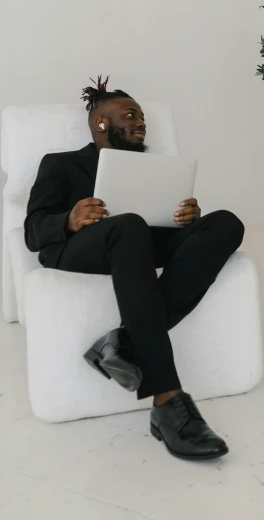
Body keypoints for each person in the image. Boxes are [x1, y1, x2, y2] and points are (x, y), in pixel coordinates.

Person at [25, 76, 245, 461]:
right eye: (130, 115)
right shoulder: (60, 165)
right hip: (79, 250)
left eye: (143, 117)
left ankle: (123, 341)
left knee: (226, 222)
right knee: (127, 223)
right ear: (101, 124)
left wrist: (187, 219)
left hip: (138, 242)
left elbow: (164, 229)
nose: (141, 123)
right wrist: (69, 219)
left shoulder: (153, 167)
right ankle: (167, 398)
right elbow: (32, 230)